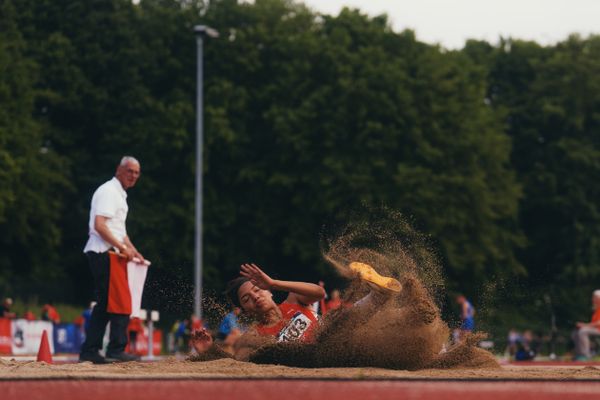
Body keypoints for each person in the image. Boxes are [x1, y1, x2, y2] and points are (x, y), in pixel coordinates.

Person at [189, 262, 401, 361]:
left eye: (257, 290)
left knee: (334, 322)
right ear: (244, 310)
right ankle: (379, 297)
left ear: (269, 292)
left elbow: (319, 293)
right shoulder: (252, 335)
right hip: (317, 359)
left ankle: (381, 294)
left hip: (337, 338)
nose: (255, 297)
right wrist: (208, 352)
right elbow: (238, 363)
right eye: (247, 299)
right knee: (331, 331)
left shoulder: (293, 299)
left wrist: (274, 282)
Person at [79, 156, 145, 364]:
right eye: (129, 171)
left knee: (107, 303)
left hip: (110, 252)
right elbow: (100, 225)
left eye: (136, 172)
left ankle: (92, 349)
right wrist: (124, 248)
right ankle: (115, 349)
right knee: (119, 301)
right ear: (119, 170)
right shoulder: (109, 191)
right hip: (104, 252)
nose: (133, 175)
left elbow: (120, 230)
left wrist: (134, 250)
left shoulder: (118, 194)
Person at [572, 290, 600, 361]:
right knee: (576, 332)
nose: (593, 299)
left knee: (583, 331)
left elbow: (598, 323)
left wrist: (584, 325)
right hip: (596, 329)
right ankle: (579, 354)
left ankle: (586, 355)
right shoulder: (596, 309)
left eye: (594, 297)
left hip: (598, 329)